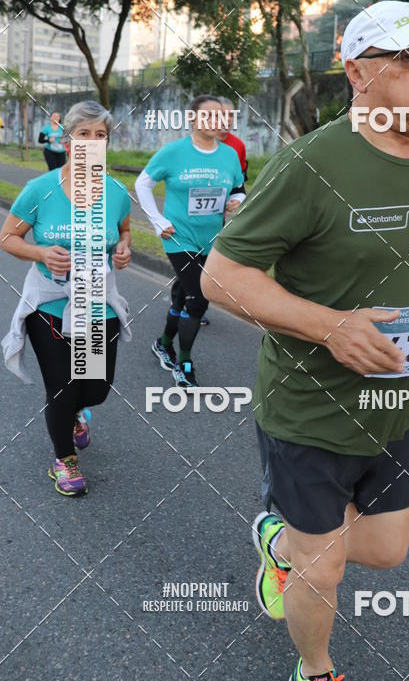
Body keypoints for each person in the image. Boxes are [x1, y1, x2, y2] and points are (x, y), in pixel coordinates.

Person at [201, 1, 409, 681]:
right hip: (309, 409)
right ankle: (316, 672)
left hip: (395, 404)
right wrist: (330, 327)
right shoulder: (311, 163)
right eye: (406, 58)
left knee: (388, 551)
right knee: (322, 569)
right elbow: (222, 276)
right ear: (358, 73)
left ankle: (281, 541)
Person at [1, 101, 132, 497]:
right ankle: (64, 458)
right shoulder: (39, 190)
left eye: (100, 135)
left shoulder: (116, 192)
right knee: (62, 387)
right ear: (67, 139)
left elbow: (123, 232)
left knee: (96, 388)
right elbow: (8, 238)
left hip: (96, 301)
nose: (92, 142)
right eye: (84, 134)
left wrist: (124, 249)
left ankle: (78, 413)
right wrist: (41, 253)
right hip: (51, 304)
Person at [135, 93, 246, 388]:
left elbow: (238, 188)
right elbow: (143, 183)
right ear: (193, 118)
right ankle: (184, 364)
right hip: (179, 236)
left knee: (183, 296)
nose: (216, 121)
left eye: (220, 116)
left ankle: (162, 344)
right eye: (208, 115)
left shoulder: (229, 155)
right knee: (198, 298)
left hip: (211, 239)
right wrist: (158, 221)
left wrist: (235, 201)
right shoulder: (173, 153)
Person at [217, 96, 248, 181]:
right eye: (222, 114)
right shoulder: (199, 142)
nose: (227, 119)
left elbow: (240, 179)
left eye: (230, 115)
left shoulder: (239, 145)